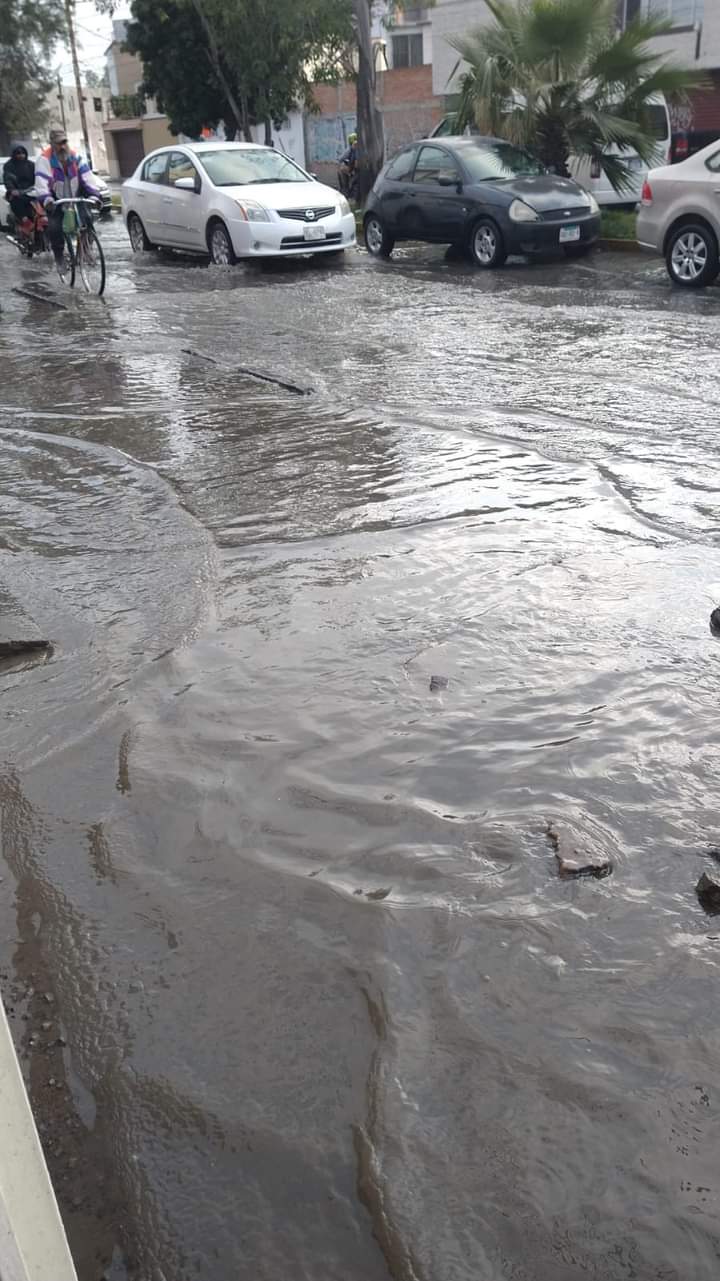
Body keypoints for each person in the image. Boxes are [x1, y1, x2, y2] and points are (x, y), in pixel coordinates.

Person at [34, 129, 101, 267]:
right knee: (54, 226)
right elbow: (41, 184)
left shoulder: (76, 157)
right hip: (55, 198)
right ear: (52, 144)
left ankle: (86, 249)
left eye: (64, 142)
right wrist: (47, 200)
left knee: (87, 218)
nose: (63, 146)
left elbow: (88, 177)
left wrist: (94, 195)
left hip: (76, 194)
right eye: (59, 143)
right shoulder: (44, 160)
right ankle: (59, 258)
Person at [3, 145, 36, 232]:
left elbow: (38, 177)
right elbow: (8, 178)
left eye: (23, 153)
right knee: (16, 201)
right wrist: (12, 190)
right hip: (18, 191)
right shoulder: (9, 166)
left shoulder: (31, 165)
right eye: (18, 153)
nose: (21, 155)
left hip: (31, 190)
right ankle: (25, 221)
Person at [338, 132, 358, 197]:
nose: (355, 145)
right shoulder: (350, 150)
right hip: (351, 169)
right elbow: (341, 158)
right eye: (354, 144)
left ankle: (347, 192)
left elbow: (341, 159)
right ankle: (346, 193)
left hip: (355, 170)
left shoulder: (356, 149)